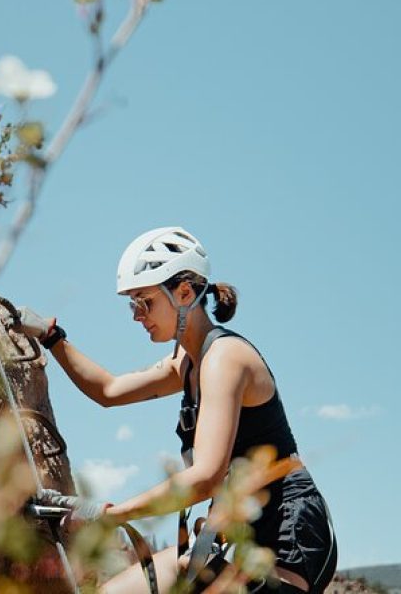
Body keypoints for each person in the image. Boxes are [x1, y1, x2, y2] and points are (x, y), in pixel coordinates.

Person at [19, 227, 337, 593]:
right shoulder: (186, 363)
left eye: (145, 302)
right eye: (132, 304)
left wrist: (113, 515)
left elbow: (205, 477)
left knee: (176, 571)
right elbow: (107, 390)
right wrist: (51, 338)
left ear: (184, 292)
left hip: (287, 532)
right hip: (248, 532)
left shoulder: (225, 359)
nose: (137, 315)